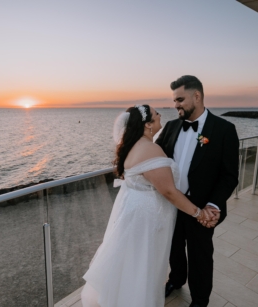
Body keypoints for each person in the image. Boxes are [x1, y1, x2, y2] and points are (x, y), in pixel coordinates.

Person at [81, 104, 217, 307]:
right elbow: (169, 191)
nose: (161, 114)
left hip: (134, 211)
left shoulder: (132, 145)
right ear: (148, 125)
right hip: (147, 217)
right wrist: (198, 213)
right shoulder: (150, 149)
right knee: (143, 263)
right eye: (156, 114)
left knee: (131, 261)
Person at [156, 75, 239, 307]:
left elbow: (229, 175)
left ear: (197, 96)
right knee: (173, 247)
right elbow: (156, 158)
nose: (176, 105)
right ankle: (176, 279)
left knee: (200, 256)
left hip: (201, 208)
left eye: (180, 99)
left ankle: (200, 300)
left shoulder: (224, 130)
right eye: (174, 100)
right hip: (172, 203)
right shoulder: (172, 127)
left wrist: (212, 205)